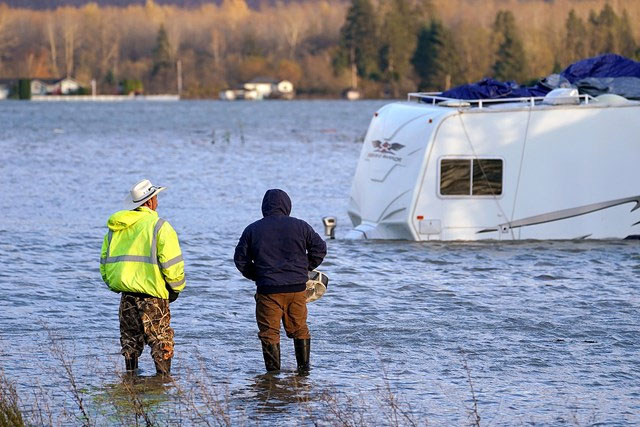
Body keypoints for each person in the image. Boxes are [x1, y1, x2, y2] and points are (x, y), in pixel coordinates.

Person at [234, 189, 327, 373]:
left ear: (264, 207)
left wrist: (258, 275)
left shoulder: (252, 229)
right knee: (300, 329)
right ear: (287, 205)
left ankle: (272, 379)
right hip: (297, 290)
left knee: (269, 334)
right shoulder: (301, 226)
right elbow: (320, 248)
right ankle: (303, 373)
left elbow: (240, 260)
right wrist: (304, 268)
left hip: (268, 291)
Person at [100, 179, 186, 376]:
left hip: (126, 295)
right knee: (161, 341)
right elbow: (172, 265)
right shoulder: (160, 226)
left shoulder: (116, 228)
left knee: (130, 342)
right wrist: (175, 289)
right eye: (155, 197)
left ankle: (131, 384)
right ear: (149, 202)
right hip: (153, 295)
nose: (157, 201)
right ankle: (163, 385)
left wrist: (115, 285)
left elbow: (104, 264)